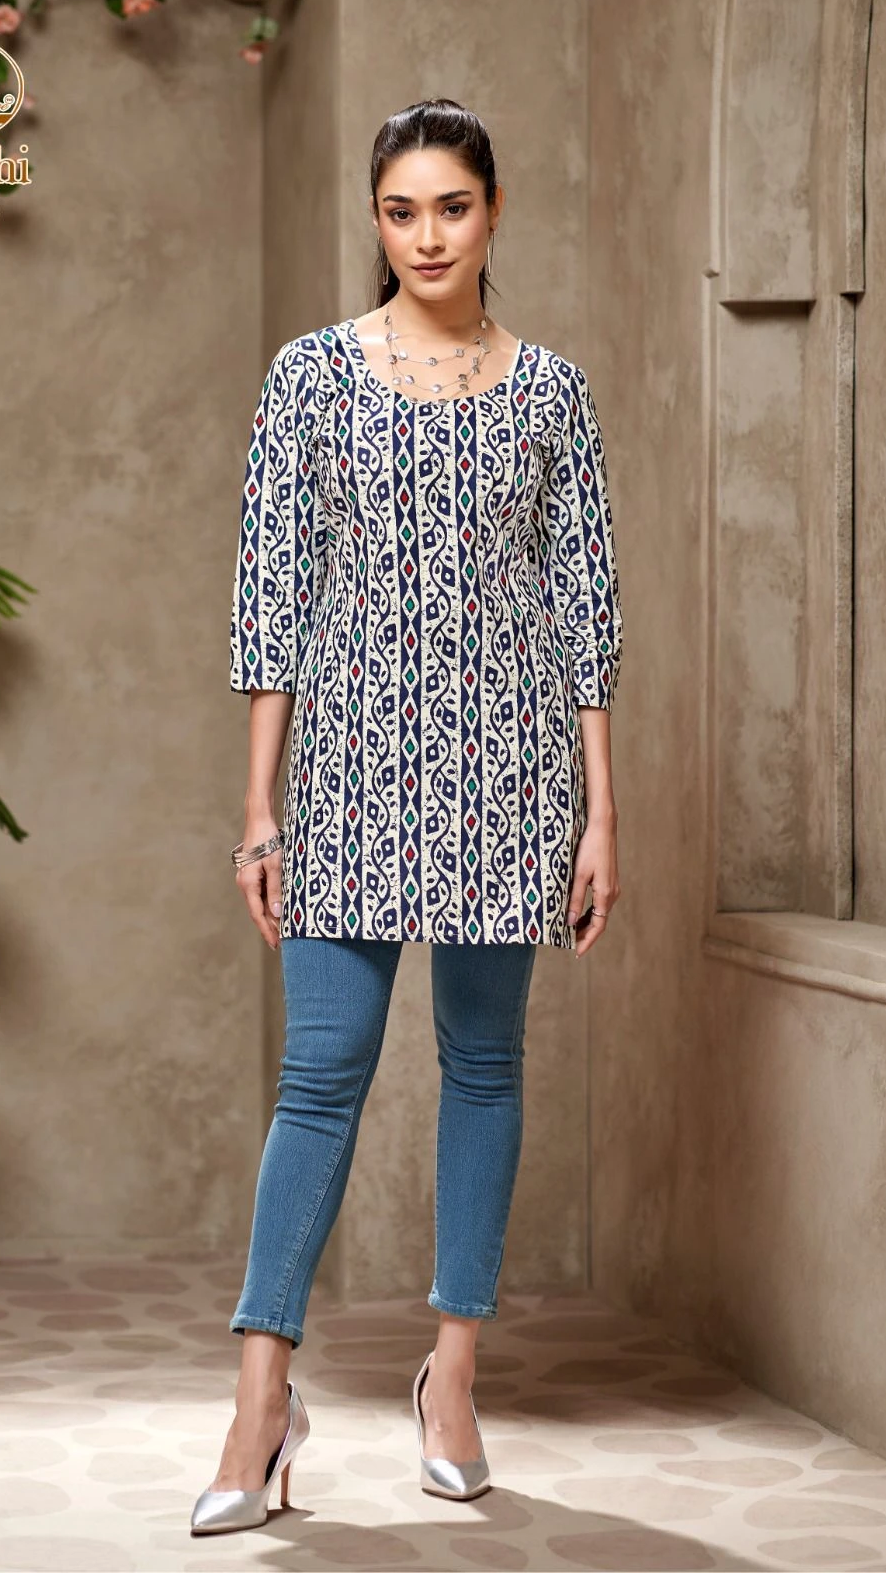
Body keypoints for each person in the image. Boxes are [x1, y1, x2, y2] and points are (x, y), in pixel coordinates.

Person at [191, 97, 624, 1536]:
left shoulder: (553, 393)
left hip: (508, 778)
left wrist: (599, 817)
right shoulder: (311, 377)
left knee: (483, 1070)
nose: (427, 236)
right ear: (376, 222)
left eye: (452, 206)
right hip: (347, 775)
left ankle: (453, 1380)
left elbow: (584, 617)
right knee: (320, 1077)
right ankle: (262, 1406)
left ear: (494, 212)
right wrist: (259, 808)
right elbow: (273, 599)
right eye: (400, 211)